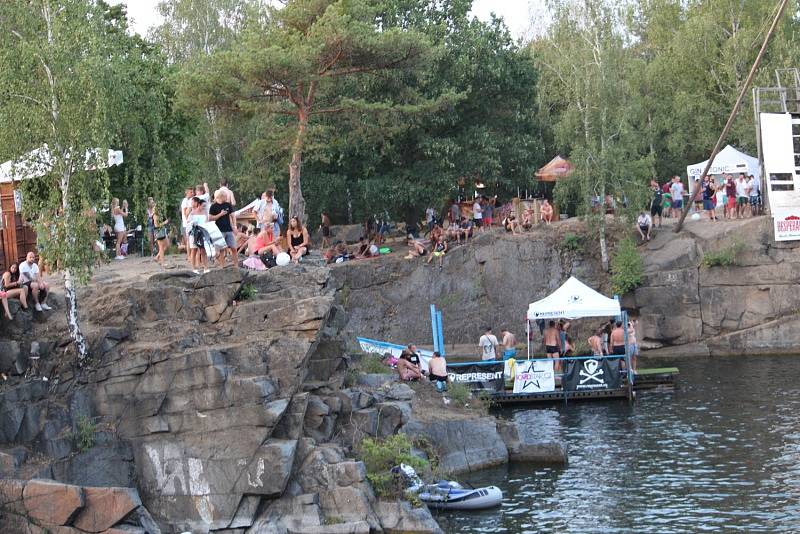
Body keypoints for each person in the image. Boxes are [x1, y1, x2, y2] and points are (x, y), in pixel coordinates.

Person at [209, 190, 237, 268]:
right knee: (221, 249)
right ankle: (223, 266)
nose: (227, 197)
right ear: (220, 196)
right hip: (219, 230)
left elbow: (233, 215)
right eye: (225, 196)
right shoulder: (213, 206)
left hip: (229, 229)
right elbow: (210, 218)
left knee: (233, 247)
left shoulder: (228, 205)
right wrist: (220, 214)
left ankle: (236, 265)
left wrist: (234, 226)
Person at [188, 196, 210, 274]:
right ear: (199, 205)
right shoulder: (192, 213)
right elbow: (189, 223)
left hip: (202, 233)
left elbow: (207, 223)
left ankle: (206, 267)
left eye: (205, 206)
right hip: (194, 233)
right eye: (203, 206)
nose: (204, 207)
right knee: (194, 250)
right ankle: (194, 268)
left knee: (203, 251)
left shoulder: (205, 213)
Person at [180, 187, 194, 259]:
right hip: (187, 223)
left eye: (193, 192)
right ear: (187, 193)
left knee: (190, 240)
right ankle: (189, 256)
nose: (192, 193)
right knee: (188, 240)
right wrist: (187, 220)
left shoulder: (190, 200)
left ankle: (191, 255)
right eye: (191, 192)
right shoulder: (185, 201)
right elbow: (185, 212)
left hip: (190, 223)